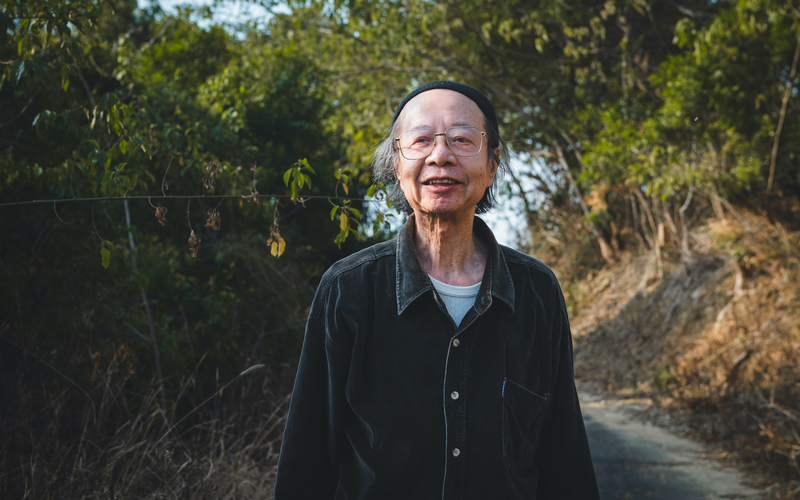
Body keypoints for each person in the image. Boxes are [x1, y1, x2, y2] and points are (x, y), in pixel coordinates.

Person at [273, 81, 599, 500]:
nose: (440, 156)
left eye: (462, 139)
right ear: (396, 164)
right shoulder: (348, 290)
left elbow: (565, 458)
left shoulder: (537, 292)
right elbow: (308, 458)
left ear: (492, 163)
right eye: (421, 140)